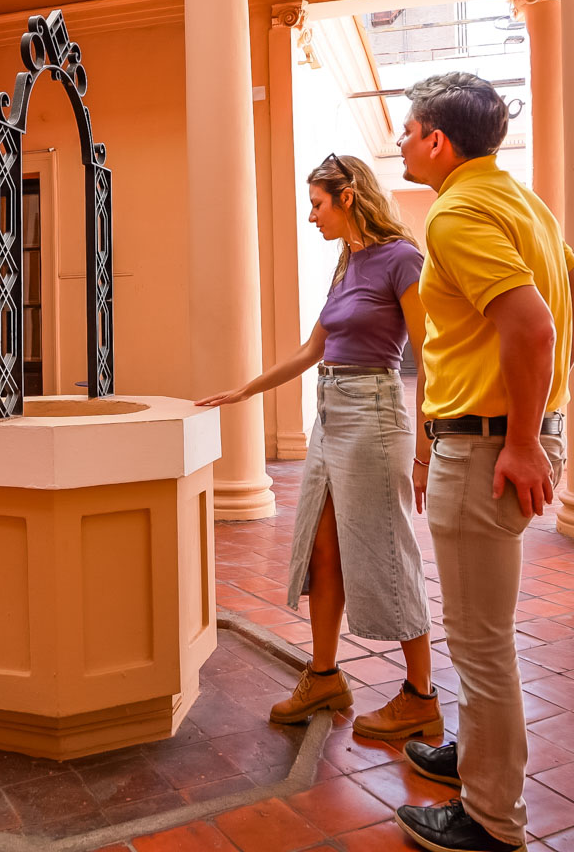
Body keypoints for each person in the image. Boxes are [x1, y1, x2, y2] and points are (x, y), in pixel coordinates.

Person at [390, 73, 574, 852]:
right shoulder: (520, 201)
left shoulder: (455, 213)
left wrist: (520, 435)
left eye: (408, 132)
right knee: (480, 629)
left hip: (484, 447)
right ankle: (473, 759)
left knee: (479, 642)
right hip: (497, 436)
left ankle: (491, 818)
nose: (403, 143)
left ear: (436, 140)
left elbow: (535, 324)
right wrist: (543, 411)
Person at [197, 154, 440, 741]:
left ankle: (421, 695)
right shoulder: (345, 264)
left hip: (375, 413)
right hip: (330, 413)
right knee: (322, 549)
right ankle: (325, 675)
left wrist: (424, 451)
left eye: (317, 204)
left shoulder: (401, 259)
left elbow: (429, 353)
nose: (312, 216)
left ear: (349, 196)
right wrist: (243, 390)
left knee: (386, 549)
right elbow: (312, 352)